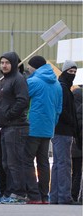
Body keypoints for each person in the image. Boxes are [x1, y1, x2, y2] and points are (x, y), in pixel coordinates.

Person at [0, 51, 29, 204]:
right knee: (6, 162)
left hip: (16, 127)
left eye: (7, 62)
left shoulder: (18, 79)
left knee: (15, 162)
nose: (4, 65)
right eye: (2, 62)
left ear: (14, 64)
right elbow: (4, 102)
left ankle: (19, 194)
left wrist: (9, 115)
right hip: (5, 127)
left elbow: (22, 101)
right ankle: (10, 193)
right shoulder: (4, 80)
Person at [23, 56, 62, 204]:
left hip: (32, 127)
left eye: (29, 66)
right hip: (48, 128)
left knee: (27, 161)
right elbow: (58, 109)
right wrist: (52, 124)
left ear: (35, 67)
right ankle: (44, 196)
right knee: (43, 162)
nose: (27, 68)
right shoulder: (57, 84)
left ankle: (34, 195)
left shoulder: (33, 82)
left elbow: (22, 100)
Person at [50, 60, 79, 205]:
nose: (72, 74)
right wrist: (73, 124)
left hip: (57, 130)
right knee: (64, 164)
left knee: (58, 164)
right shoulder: (63, 88)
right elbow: (63, 111)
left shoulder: (61, 86)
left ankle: (55, 196)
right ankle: (64, 196)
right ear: (64, 71)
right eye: (70, 71)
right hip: (63, 131)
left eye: (74, 72)